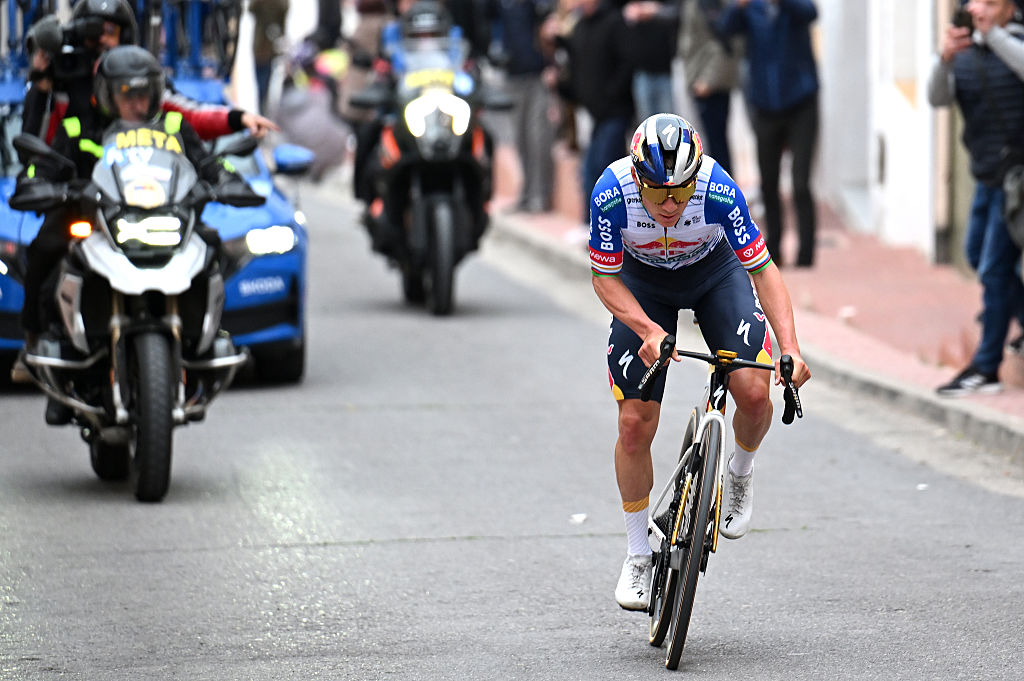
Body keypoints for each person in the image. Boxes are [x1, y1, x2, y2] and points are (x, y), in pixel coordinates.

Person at [589, 113, 810, 610]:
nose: (670, 204)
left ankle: (739, 472)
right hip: (643, 287)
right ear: (638, 178)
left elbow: (764, 269)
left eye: (681, 192)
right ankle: (638, 554)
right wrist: (648, 329)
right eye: (659, 193)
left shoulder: (719, 189)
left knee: (754, 393)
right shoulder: (610, 192)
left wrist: (791, 346)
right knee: (633, 424)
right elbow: (604, 279)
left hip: (715, 276)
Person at [928, 0, 1024, 396]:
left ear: (1008, 9)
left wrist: (993, 36)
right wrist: (944, 58)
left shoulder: (1014, 39)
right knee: (976, 256)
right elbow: (937, 98)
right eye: (975, 2)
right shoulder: (963, 52)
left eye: (990, 2)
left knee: (992, 270)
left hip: (1017, 177)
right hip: (986, 177)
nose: (979, 8)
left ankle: (986, 367)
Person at [22, 0, 278, 143]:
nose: (101, 41)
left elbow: (192, 115)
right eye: (93, 34)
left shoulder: (144, 78)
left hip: (137, 195)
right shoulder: (64, 79)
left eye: (110, 32)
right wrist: (41, 85)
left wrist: (237, 118)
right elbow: (36, 144)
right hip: (79, 204)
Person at [716, 0, 819, 268]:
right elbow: (724, 29)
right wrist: (737, 7)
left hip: (802, 101)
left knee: (800, 182)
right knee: (768, 183)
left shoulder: (792, 5)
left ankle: (806, 254)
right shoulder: (751, 8)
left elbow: (811, 13)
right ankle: (774, 248)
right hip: (765, 104)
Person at [556, 0, 634, 225]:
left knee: (604, 167)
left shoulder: (614, 22)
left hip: (616, 111)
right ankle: (595, 225)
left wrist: (611, 94)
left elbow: (627, 63)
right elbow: (577, 72)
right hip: (595, 114)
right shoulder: (580, 28)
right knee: (591, 169)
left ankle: (607, 226)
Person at [488, 0, 557, 213]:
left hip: (537, 75)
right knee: (520, 138)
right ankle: (526, 194)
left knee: (538, 137)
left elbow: (549, 30)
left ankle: (540, 195)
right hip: (513, 75)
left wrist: (551, 65)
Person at [678, 0, 740, 174]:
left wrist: (708, 80)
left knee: (717, 144)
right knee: (710, 143)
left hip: (710, 82)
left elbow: (724, 40)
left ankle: (723, 194)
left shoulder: (710, 3)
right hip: (699, 76)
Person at [620, 0, 680, 120]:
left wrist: (655, 11)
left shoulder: (665, 9)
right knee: (646, 121)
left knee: (667, 120)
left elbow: (677, 13)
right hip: (641, 70)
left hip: (664, 69)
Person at [249, 0, 290, 114]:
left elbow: (251, 9)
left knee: (262, 84)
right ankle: (263, 113)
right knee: (265, 84)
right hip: (269, 47)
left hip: (263, 47)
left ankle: (263, 113)